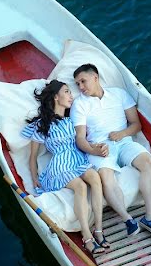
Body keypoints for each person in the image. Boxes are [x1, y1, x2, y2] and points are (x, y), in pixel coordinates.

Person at [70, 64, 151, 239]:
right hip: (100, 147)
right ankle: (128, 219)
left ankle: (150, 218)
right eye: (77, 84)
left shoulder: (119, 94)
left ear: (95, 78)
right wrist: (95, 150)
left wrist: (121, 134)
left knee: (148, 162)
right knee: (106, 176)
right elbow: (80, 139)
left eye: (83, 81)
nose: (80, 87)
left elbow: (136, 125)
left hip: (124, 141)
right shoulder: (79, 104)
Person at [22, 80, 108, 256]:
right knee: (81, 187)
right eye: (67, 92)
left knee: (95, 179)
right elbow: (32, 157)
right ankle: (87, 237)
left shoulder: (72, 121)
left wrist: (96, 148)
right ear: (55, 96)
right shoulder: (42, 125)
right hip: (61, 164)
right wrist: (35, 177)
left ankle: (98, 230)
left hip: (79, 159)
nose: (71, 96)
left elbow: (85, 141)